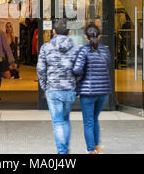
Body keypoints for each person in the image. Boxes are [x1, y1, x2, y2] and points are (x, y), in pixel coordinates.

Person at [37, 18, 79, 154]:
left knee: (57, 122)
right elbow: (80, 70)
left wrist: (45, 86)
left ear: (53, 32)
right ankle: (65, 149)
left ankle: (62, 152)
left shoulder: (46, 48)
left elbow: (40, 69)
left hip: (53, 90)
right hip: (69, 89)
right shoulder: (75, 48)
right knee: (65, 120)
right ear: (69, 32)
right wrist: (75, 85)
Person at [73, 23, 112, 154]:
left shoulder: (84, 50)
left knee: (88, 122)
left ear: (85, 37)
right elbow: (108, 65)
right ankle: (97, 148)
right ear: (99, 36)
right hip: (103, 91)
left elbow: (77, 70)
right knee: (95, 119)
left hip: (88, 92)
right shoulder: (105, 50)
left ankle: (90, 151)